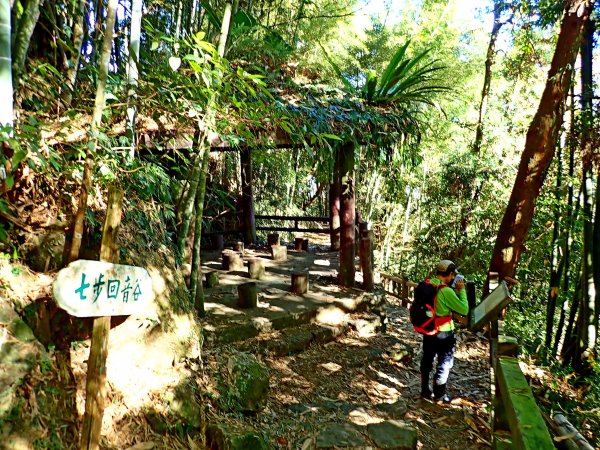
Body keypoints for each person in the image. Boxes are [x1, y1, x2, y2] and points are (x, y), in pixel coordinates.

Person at [420, 259, 469, 403]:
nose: (453, 278)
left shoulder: (428, 284)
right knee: (444, 362)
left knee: (427, 358)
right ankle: (440, 395)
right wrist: (462, 291)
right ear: (450, 274)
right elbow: (464, 309)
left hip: (428, 330)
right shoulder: (446, 291)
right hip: (444, 333)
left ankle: (424, 390)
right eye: (453, 275)